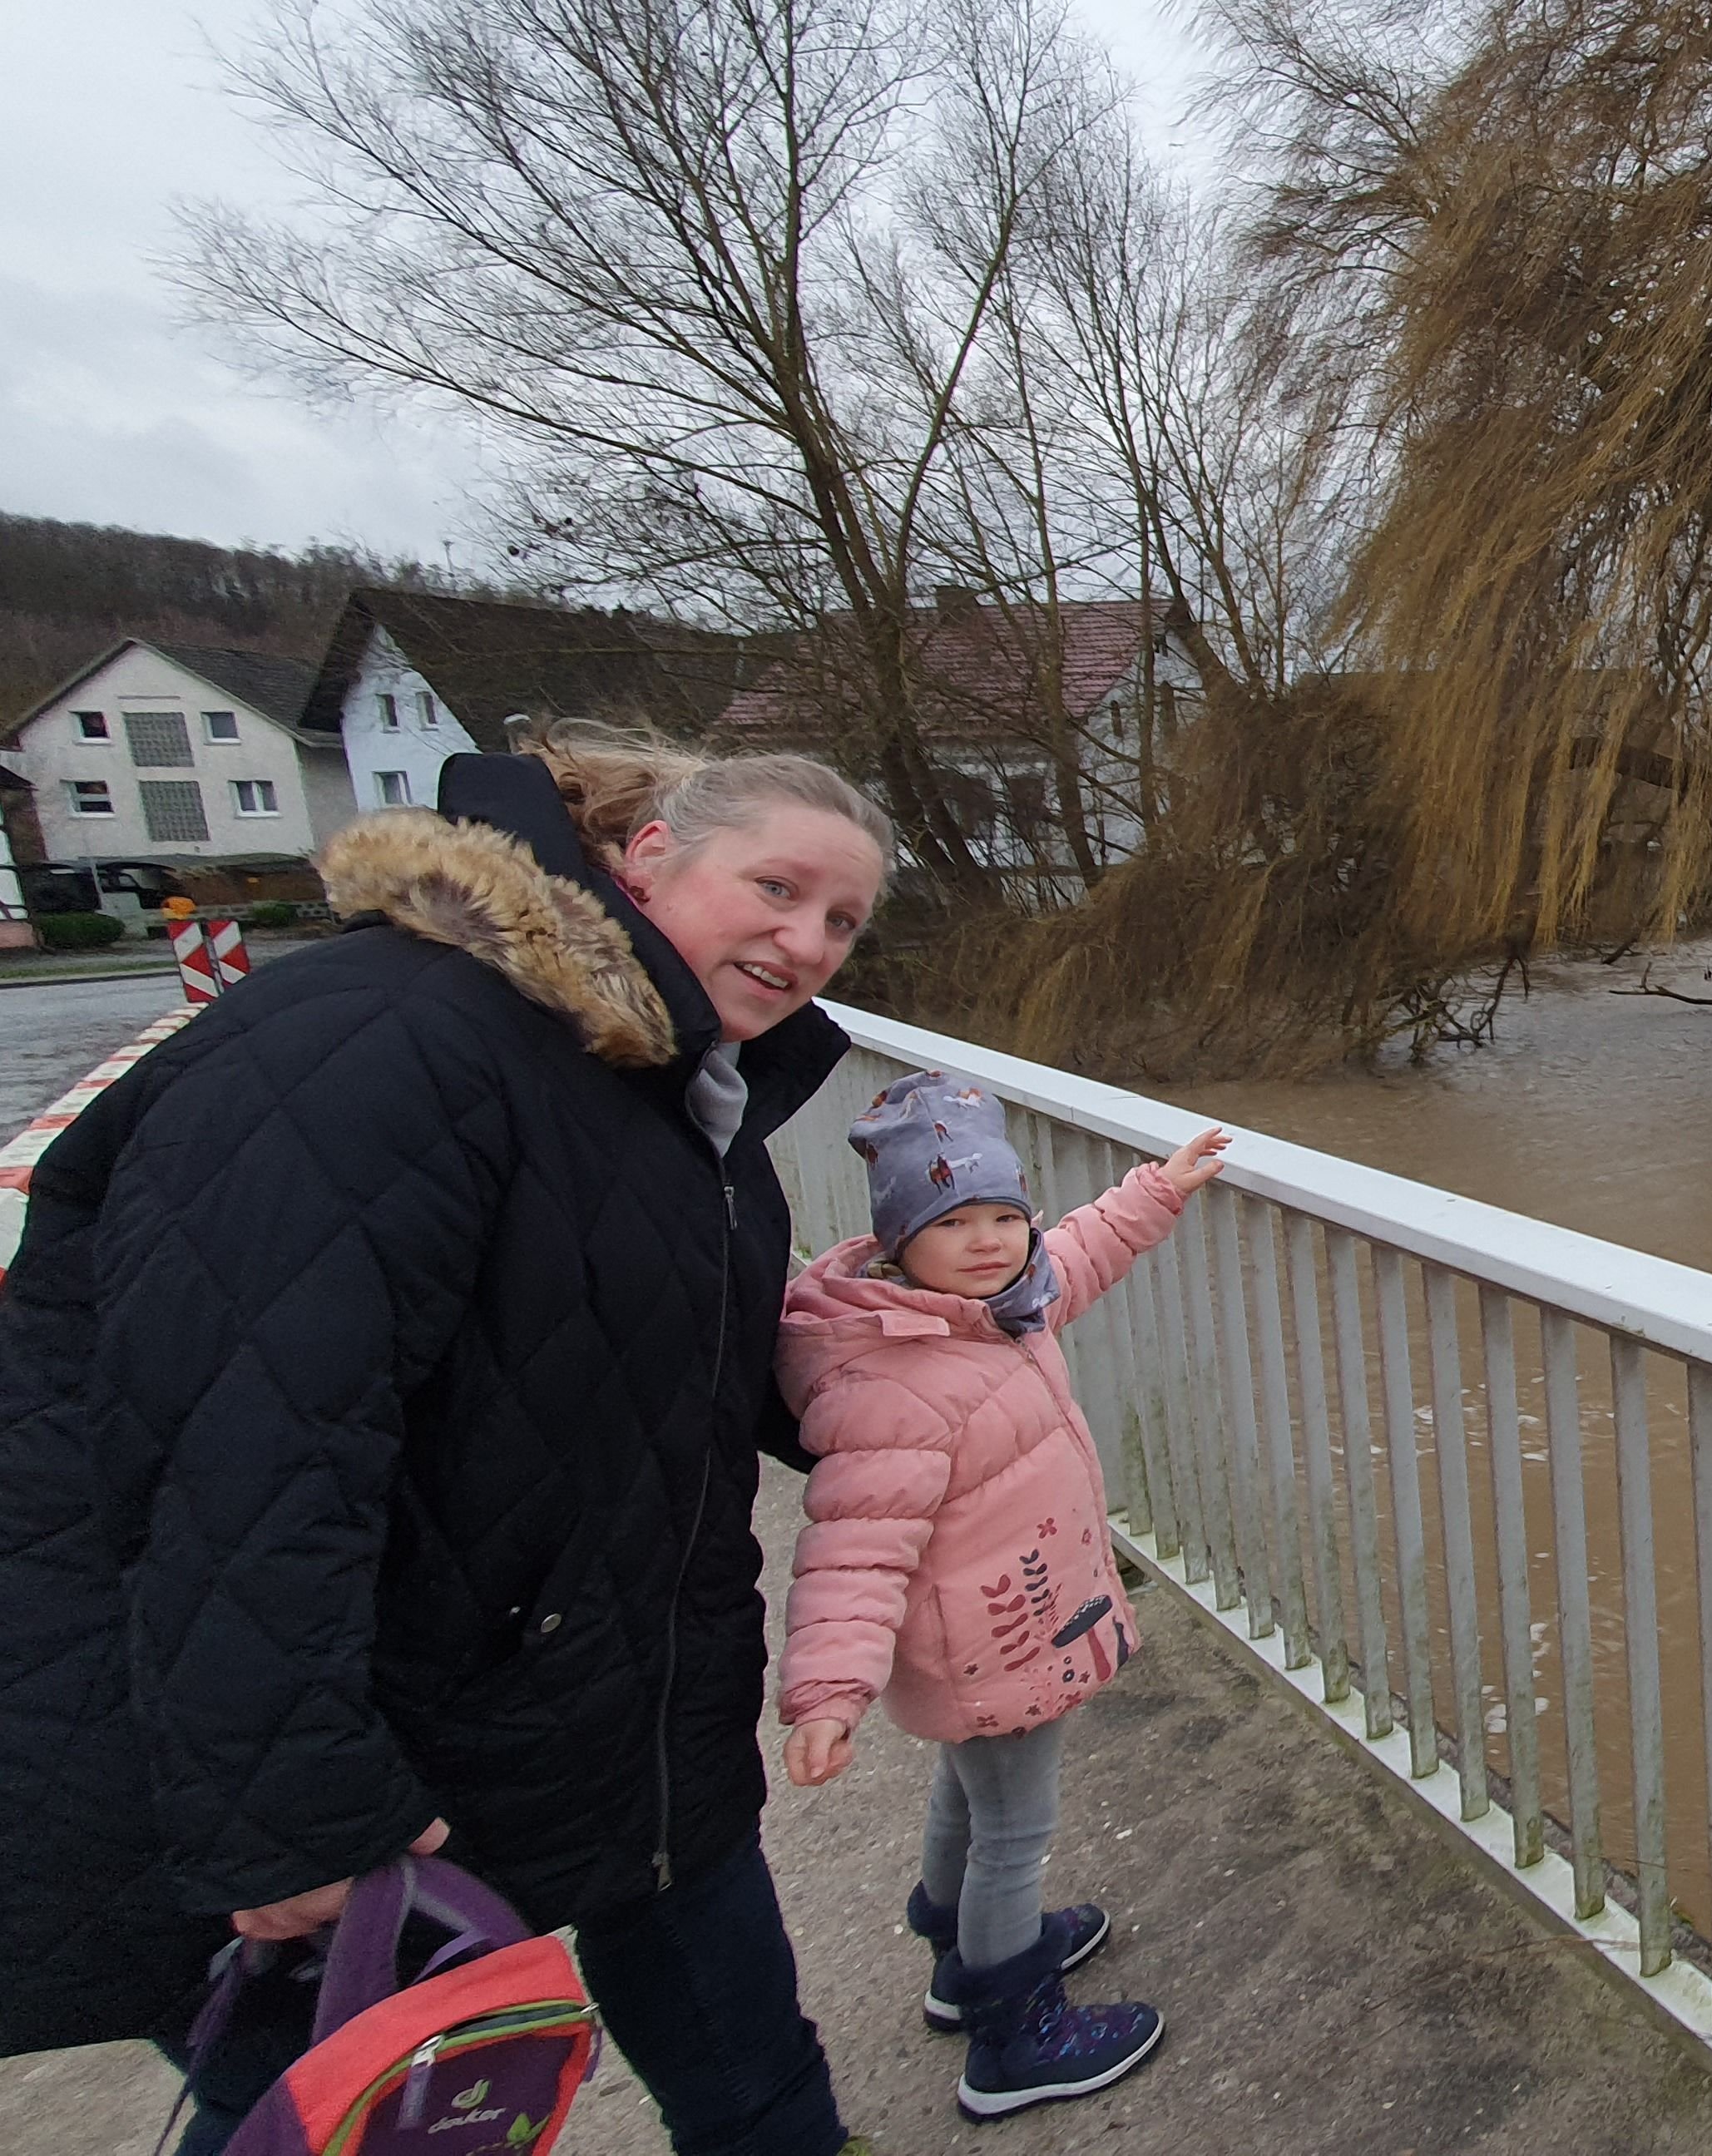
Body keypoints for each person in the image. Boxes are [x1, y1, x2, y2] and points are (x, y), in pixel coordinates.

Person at [0, 734, 892, 2156]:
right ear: (648, 856)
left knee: (747, 2061)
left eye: (841, 921)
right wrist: (290, 1806)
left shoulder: (649, 1075)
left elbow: (613, 1349)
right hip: (366, 1743)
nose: (806, 943)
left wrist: (878, 1373)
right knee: (340, 2111)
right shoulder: (380, 1037)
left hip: (604, 1704)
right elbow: (243, 1442)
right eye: (776, 888)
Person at [772, 1073, 1225, 2117]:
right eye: (954, 1222)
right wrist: (829, 1695)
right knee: (1015, 1833)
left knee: (966, 1796)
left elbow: (1080, 1252)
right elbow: (852, 1552)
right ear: (898, 1241)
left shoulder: (996, 1310)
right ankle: (1010, 2037)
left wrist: (1161, 1189)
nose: (989, 1242)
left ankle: (961, 1959)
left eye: (1002, 1218)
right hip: (995, 1642)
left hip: (993, 1633)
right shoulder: (890, 1382)